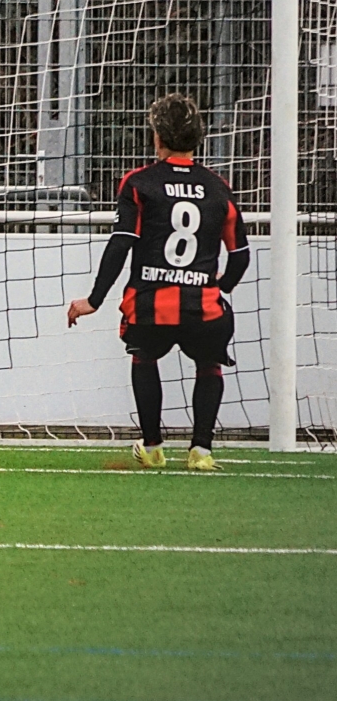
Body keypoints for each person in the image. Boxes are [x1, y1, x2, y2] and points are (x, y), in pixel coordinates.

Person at [67, 93, 248, 471]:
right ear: (198, 138)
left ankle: (152, 446)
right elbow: (241, 255)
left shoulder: (140, 183)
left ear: (156, 138)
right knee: (209, 365)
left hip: (150, 305)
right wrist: (222, 286)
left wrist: (95, 299)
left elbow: (122, 243)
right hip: (204, 308)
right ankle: (201, 450)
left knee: (144, 358)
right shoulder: (218, 187)